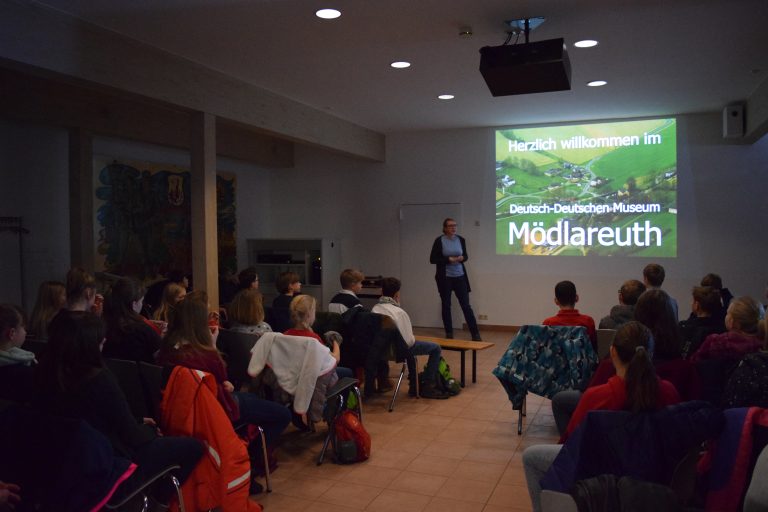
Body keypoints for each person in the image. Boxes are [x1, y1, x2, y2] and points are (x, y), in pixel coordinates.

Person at [34, 310, 204, 505]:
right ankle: (155, 504)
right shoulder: (98, 379)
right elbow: (133, 437)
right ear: (88, 343)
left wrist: (138, 422)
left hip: (64, 467)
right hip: (110, 465)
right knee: (194, 447)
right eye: (99, 338)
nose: (104, 340)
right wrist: (149, 429)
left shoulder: (43, 374)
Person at [523, 321, 681, 512]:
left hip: (600, 482)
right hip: (652, 479)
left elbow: (571, 442)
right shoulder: (669, 392)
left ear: (612, 352)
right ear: (650, 354)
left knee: (531, 457)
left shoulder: (597, 397)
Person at [156, 295, 290, 492]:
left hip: (184, 413)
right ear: (199, 322)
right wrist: (213, 346)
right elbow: (221, 378)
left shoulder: (166, 349)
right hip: (215, 412)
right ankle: (248, 466)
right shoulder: (203, 353)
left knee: (252, 399)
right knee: (281, 415)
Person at [372, 277, 449, 399]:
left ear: (382, 292)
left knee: (410, 350)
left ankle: (410, 384)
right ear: (397, 294)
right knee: (435, 348)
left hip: (381, 351)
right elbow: (409, 342)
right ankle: (428, 385)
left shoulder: (374, 310)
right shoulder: (399, 312)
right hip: (399, 351)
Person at [429, 218, 481, 341]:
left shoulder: (461, 240)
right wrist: (448, 260)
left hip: (460, 277)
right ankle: (449, 333)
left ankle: (475, 334)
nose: (453, 228)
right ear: (445, 228)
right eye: (450, 226)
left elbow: (466, 256)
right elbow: (432, 259)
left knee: (466, 306)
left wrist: (463, 258)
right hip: (445, 278)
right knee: (446, 305)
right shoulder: (439, 241)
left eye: (455, 225)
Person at [286, 294, 354, 380]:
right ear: (308, 315)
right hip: (313, 378)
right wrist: (335, 341)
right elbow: (335, 359)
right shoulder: (313, 339)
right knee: (348, 372)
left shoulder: (285, 335)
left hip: (292, 378)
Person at [102, 277, 162, 363]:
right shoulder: (143, 330)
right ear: (134, 304)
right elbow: (160, 358)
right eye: (141, 301)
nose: (142, 305)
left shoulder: (103, 325)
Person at [690, 296, 763, 362]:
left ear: (732, 321)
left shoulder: (716, 342)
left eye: (728, 313)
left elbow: (694, 361)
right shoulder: (762, 345)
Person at [542, 280, 597, 350]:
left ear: (556, 301)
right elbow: (593, 349)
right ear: (576, 298)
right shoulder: (588, 321)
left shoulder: (548, 323)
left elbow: (544, 349)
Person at [679, 285, 726, 357]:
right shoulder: (722, 329)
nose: (691, 303)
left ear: (697, 305)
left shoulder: (685, 328)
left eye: (693, 301)